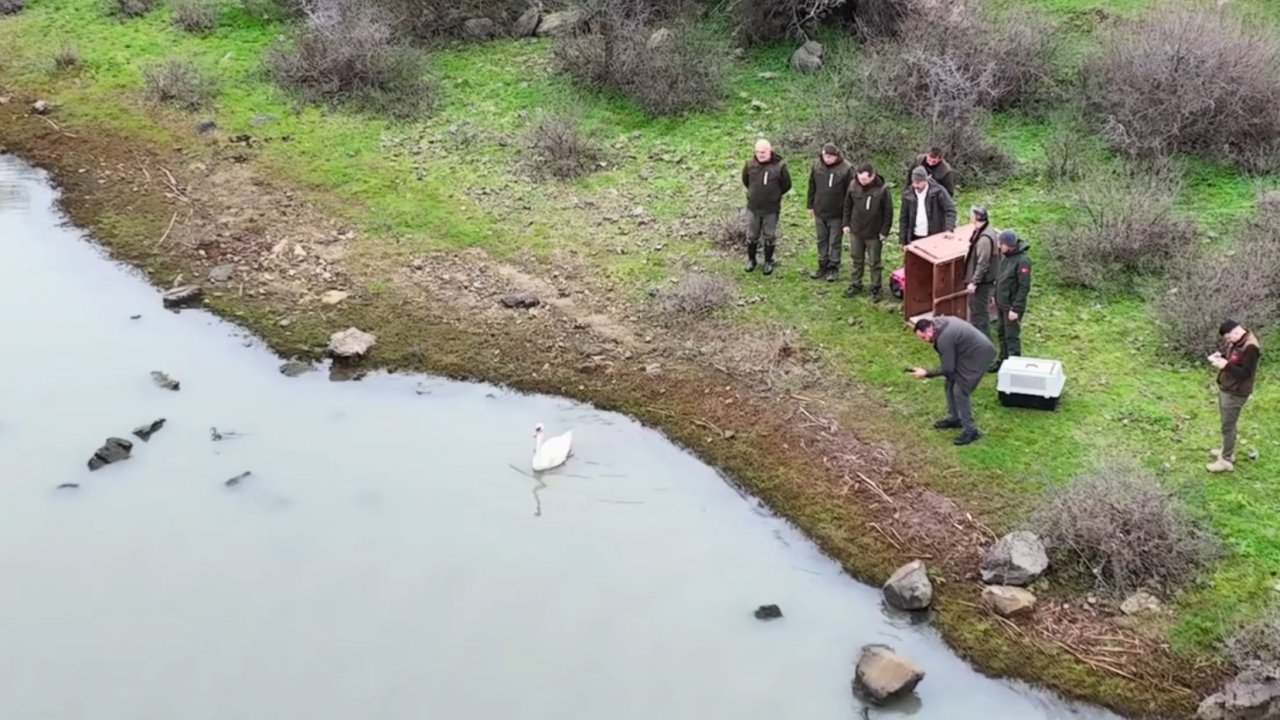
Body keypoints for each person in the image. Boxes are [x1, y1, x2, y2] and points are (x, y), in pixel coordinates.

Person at [909, 316, 996, 446]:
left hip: (979, 355)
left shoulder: (944, 338)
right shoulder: (938, 325)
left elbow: (948, 368)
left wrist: (926, 373)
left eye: (923, 338)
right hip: (967, 351)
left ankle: (970, 431)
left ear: (929, 331)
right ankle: (954, 418)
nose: (925, 341)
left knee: (960, 391)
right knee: (949, 382)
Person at [1206, 321, 1262, 473]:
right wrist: (1221, 357)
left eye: (1228, 338)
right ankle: (1226, 449)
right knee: (1227, 424)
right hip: (1227, 388)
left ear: (1236, 333)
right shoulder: (1239, 341)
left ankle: (1226, 460)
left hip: (1235, 393)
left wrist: (1225, 366)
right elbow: (1235, 359)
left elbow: (1246, 373)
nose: (1228, 341)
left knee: (1228, 427)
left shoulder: (1250, 347)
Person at [842, 163, 893, 301]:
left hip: (874, 233)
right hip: (856, 230)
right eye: (859, 178)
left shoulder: (882, 190)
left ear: (872, 176)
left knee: (874, 262)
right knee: (856, 259)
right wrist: (846, 223)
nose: (861, 181)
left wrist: (884, 231)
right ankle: (855, 284)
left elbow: (888, 212)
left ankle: (876, 287)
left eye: (864, 179)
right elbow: (847, 205)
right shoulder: (853, 185)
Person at [741, 138, 791, 275]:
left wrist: (774, 196)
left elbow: (786, 185)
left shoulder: (779, 166)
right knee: (752, 235)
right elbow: (746, 181)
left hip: (771, 209)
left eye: (763, 152)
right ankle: (751, 260)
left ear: (769, 151)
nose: (760, 154)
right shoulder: (749, 164)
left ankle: (768, 262)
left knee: (769, 236)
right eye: (757, 152)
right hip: (753, 208)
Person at [806, 143, 853, 282]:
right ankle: (822, 264)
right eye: (825, 156)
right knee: (821, 240)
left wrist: (847, 215)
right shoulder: (817, 166)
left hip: (837, 213)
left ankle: (834, 267)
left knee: (835, 242)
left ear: (836, 156)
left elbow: (851, 193)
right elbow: (811, 186)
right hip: (820, 211)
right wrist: (810, 206)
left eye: (830, 157)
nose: (827, 159)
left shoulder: (846, 169)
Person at [992, 229, 1031, 372]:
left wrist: (1016, 309)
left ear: (1008, 245)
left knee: (1011, 337)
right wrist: (995, 295)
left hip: (1012, 307)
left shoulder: (1023, 261)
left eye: (1001, 244)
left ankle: (1015, 367)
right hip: (1002, 304)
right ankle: (1003, 361)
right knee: (1001, 333)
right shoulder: (1006, 257)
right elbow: (1001, 279)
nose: (999, 246)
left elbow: (1023, 287)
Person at [964, 205, 999, 339]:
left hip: (982, 283)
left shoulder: (984, 238)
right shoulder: (987, 231)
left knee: (979, 313)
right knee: (977, 311)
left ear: (975, 217)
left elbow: (983, 263)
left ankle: (982, 341)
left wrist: (974, 282)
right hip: (983, 281)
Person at [899, 166, 956, 245]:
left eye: (918, 182)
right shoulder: (908, 195)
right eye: (913, 182)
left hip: (934, 236)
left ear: (925, 180)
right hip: (914, 237)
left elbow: (950, 210)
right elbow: (904, 218)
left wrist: (949, 229)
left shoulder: (939, 191)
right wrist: (903, 241)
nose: (915, 185)